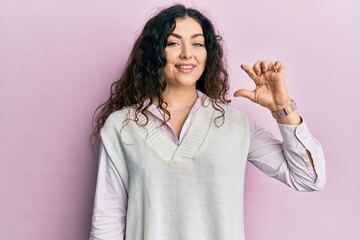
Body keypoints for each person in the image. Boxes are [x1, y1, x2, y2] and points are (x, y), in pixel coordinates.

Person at [89, 4, 326, 240]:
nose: (186, 53)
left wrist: (282, 107)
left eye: (197, 43)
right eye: (173, 43)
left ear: (207, 54)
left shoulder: (235, 124)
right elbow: (106, 223)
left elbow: (308, 178)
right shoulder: (122, 126)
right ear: (154, 52)